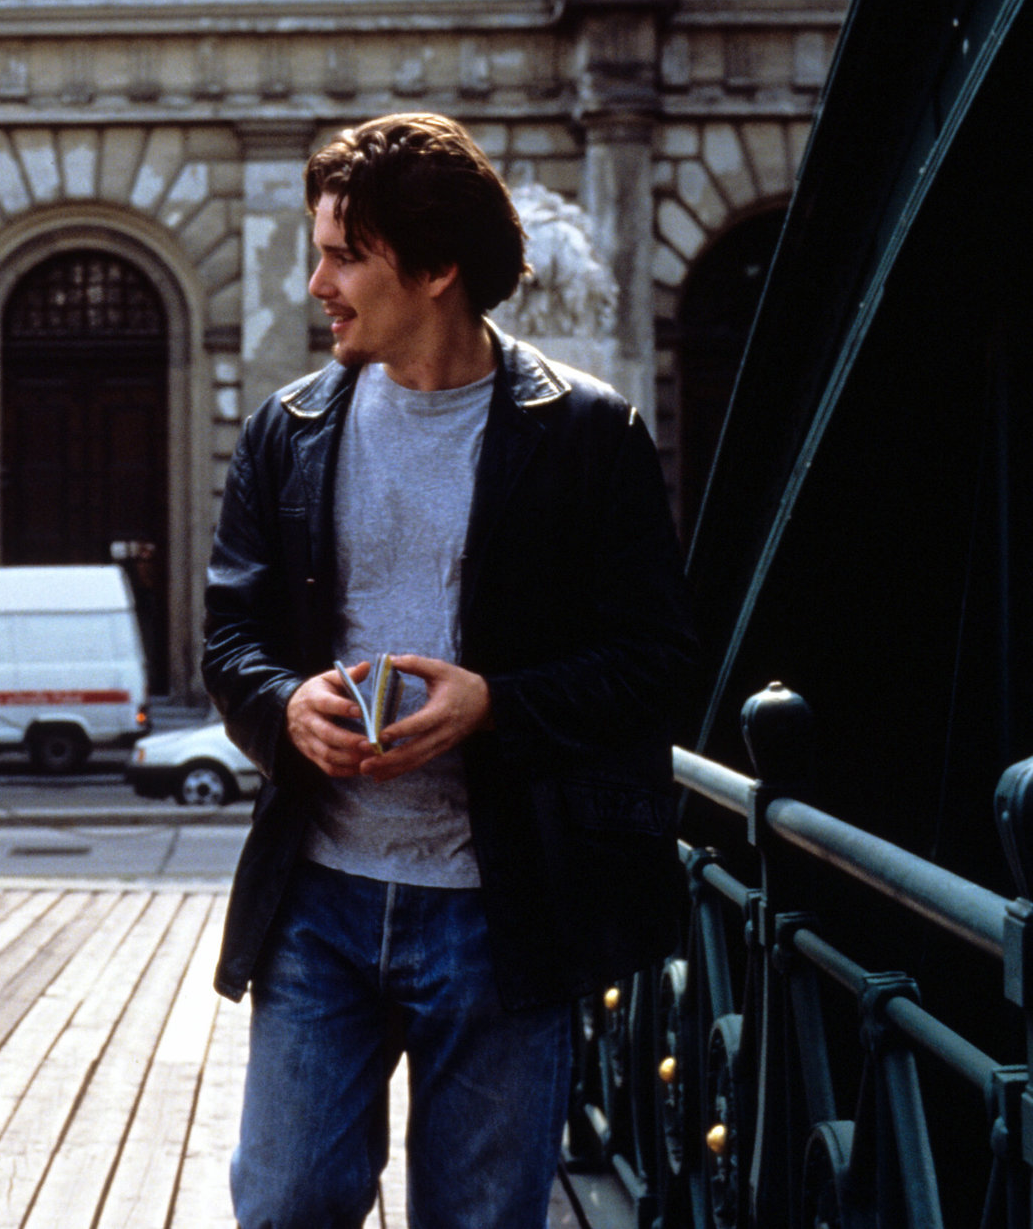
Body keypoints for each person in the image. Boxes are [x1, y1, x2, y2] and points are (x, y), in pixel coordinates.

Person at [202, 113, 698, 1228]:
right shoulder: (285, 430)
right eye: (318, 247)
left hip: (501, 908)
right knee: (282, 1207)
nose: (314, 280)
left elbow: (658, 661)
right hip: (316, 902)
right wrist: (287, 707)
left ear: (432, 268)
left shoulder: (583, 432)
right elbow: (226, 642)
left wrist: (496, 708)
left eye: (341, 254)